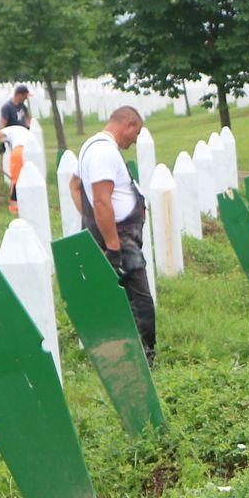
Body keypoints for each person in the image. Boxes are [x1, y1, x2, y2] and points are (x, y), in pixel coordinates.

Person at [68, 106, 155, 363]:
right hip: (120, 239)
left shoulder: (91, 147)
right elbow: (102, 200)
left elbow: (74, 185)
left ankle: (128, 355)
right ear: (128, 123)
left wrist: (92, 218)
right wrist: (113, 245)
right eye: (135, 134)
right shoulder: (104, 152)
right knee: (140, 300)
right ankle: (144, 358)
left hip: (115, 235)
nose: (133, 141)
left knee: (122, 297)